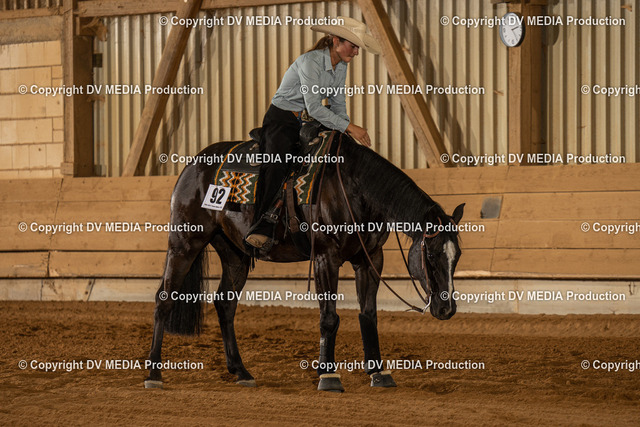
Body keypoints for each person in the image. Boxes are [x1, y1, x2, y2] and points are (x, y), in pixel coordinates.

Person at [245, 16, 381, 249]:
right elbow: (315, 107)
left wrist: (344, 128)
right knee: (277, 163)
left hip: (310, 119)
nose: (357, 52)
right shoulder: (310, 62)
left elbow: (338, 104)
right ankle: (262, 225)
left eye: (358, 47)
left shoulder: (341, 65)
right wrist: (350, 127)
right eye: (353, 46)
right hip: (283, 118)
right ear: (336, 41)